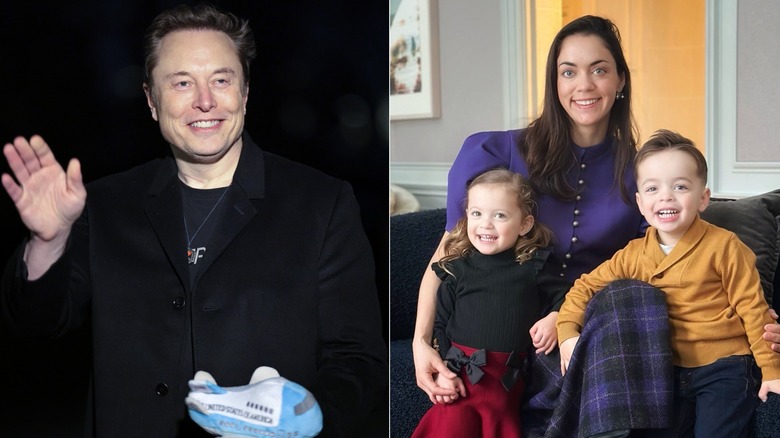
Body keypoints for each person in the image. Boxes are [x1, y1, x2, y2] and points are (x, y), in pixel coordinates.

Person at [0, 4, 387, 437]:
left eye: (221, 80)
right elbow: (36, 323)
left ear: (244, 93)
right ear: (151, 100)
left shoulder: (321, 203)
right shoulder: (106, 204)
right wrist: (48, 240)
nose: (205, 100)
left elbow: (358, 360)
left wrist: (304, 420)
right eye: (182, 82)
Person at [412, 14, 646, 403]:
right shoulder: (495, 152)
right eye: (568, 72)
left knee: (628, 308)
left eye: (599, 70)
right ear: (555, 83)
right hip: (507, 327)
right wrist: (421, 343)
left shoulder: (641, 173)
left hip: (594, 322)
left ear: (620, 80)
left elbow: (663, 261)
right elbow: (448, 253)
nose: (584, 85)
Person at [557, 129, 780, 437]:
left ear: (703, 198)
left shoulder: (725, 246)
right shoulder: (633, 254)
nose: (666, 196)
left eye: (680, 186)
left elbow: (753, 309)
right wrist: (567, 330)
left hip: (724, 366)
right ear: (640, 202)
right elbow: (586, 286)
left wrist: (772, 370)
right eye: (652, 188)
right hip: (664, 372)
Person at [411, 169, 570, 437]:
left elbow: (566, 295)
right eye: (477, 213)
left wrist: (554, 317)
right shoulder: (459, 267)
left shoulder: (532, 266)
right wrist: (444, 371)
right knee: (452, 424)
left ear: (524, 224)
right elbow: (442, 321)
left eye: (499, 215)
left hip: (506, 382)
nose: (486, 224)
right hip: (460, 375)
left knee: (500, 423)